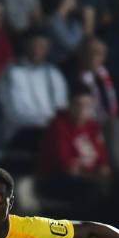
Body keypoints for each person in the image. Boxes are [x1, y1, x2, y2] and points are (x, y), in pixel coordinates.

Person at [36, 83, 111, 219]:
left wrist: (102, 172)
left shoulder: (92, 127)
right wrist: (95, 175)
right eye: (78, 105)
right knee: (92, 190)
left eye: (87, 105)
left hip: (88, 178)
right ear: (70, 104)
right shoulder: (58, 126)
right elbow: (66, 166)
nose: (82, 109)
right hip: (57, 180)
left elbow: (102, 160)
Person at [0, 28, 68, 147]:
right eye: (34, 45)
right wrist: (45, 123)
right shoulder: (11, 72)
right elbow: (11, 113)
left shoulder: (54, 74)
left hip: (52, 132)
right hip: (22, 132)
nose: (38, 50)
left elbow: (61, 107)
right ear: (26, 46)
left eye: (42, 46)